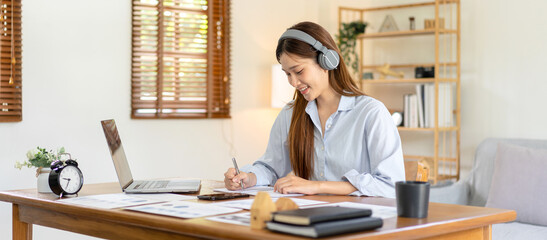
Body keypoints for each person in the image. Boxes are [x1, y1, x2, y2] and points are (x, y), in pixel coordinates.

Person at [224, 21, 405, 198]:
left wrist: (315, 186)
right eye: (288, 74)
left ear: (326, 61)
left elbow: (391, 185)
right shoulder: (290, 114)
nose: (293, 83)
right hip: (307, 216)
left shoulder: (371, 113)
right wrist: (248, 178)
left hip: (359, 220)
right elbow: (271, 167)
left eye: (299, 71)